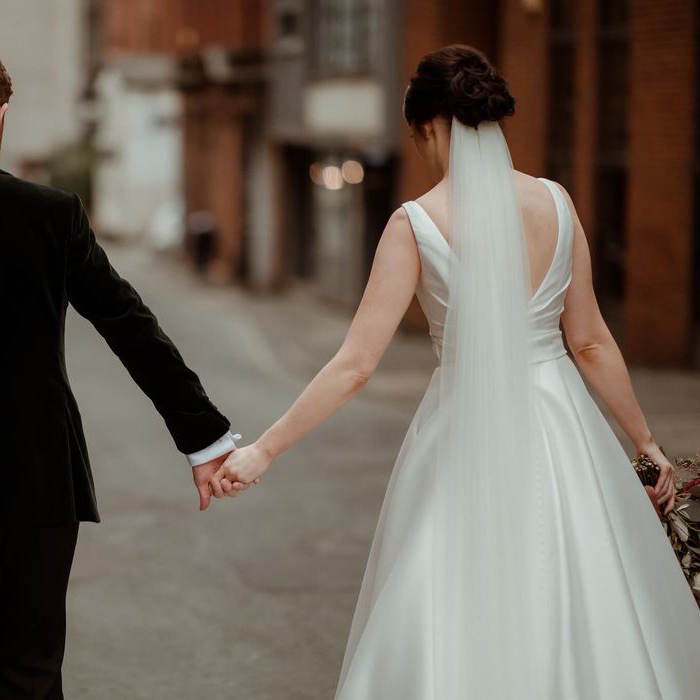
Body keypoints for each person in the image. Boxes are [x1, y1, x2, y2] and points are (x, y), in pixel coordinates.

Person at [215, 45, 700, 698]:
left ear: (427, 127)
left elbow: (357, 364)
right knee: (579, 584)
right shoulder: (556, 202)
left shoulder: (416, 222)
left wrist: (266, 449)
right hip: (563, 430)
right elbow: (589, 342)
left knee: (447, 588)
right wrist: (644, 443)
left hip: (464, 433)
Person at [0, 43, 244, 699]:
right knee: (34, 671)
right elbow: (130, 325)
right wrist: (204, 438)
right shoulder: (52, 214)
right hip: (42, 482)